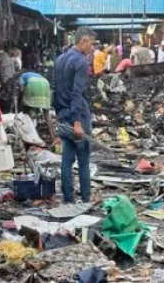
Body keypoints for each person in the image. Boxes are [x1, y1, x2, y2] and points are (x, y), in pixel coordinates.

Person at [54, 27, 96, 204]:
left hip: (63, 114)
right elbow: (77, 93)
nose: (92, 48)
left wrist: (59, 115)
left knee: (67, 159)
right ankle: (86, 198)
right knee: (83, 160)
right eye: (91, 44)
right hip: (77, 115)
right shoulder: (81, 62)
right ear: (83, 41)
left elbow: (55, 88)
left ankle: (68, 198)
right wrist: (77, 121)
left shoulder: (60, 59)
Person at [18, 70, 57, 144]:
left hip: (33, 87)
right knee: (47, 115)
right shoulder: (37, 76)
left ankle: (34, 138)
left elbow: (21, 89)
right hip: (46, 85)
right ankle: (53, 138)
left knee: (28, 115)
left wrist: (21, 101)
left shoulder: (22, 76)